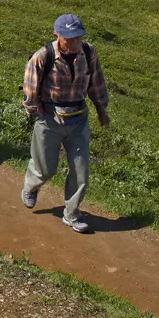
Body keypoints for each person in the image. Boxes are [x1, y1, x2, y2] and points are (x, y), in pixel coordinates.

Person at [20, 14, 110, 233]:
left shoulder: (88, 53)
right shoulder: (43, 56)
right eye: (69, 38)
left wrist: (101, 109)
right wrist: (37, 112)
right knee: (45, 169)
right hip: (50, 117)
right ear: (57, 36)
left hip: (78, 117)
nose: (74, 43)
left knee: (81, 170)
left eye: (78, 38)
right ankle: (31, 187)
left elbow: (96, 81)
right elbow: (30, 88)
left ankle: (71, 214)